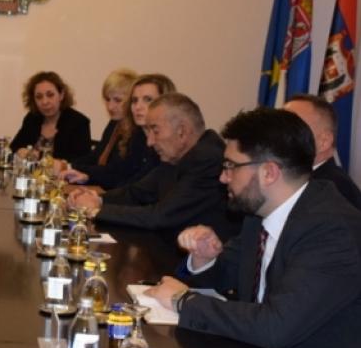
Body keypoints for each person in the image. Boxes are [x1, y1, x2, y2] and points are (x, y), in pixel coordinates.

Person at [145, 107, 361, 348]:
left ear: (269, 173)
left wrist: (184, 302)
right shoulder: (260, 215)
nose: (223, 177)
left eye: (231, 166)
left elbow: (276, 326)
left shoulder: (330, 231)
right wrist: (205, 259)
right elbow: (227, 274)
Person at [68, 92, 236, 238]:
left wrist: (95, 210)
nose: (150, 142)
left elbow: (161, 216)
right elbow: (136, 193)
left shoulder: (207, 159)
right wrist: (96, 199)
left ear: (182, 131)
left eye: (155, 131)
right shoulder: (177, 154)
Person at [65, 73, 174, 189]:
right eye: (135, 100)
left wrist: (70, 168)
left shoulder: (140, 134)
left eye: (147, 100)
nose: (138, 107)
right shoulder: (116, 125)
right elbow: (99, 157)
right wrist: (77, 171)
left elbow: (121, 176)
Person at [284, 94, 361, 210]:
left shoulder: (335, 190)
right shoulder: (301, 181)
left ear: (324, 141)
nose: (278, 134)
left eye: (293, 127)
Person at [9, 71, 91, 164]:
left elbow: (82, 161)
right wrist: (20, 151)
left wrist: (39, 156)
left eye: (50, 95)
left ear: (61, 95)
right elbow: (13, 147)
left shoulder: (79, 122)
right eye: (39, 97)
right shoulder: (32, 118)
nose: (45, 102)